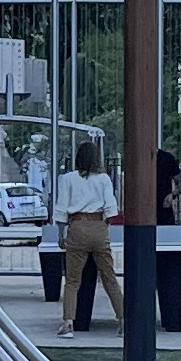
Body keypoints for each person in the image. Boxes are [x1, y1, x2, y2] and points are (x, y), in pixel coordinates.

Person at [52, 131, 122, 332]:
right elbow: (111, 208)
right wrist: (103, 227)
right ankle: (123, 319)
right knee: (109, 277)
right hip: (98, 227)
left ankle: (68, 322)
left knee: (73, 280)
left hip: (77, 226)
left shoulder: (68, 179)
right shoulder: (104, 179)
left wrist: (61, 235)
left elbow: (61, 208)